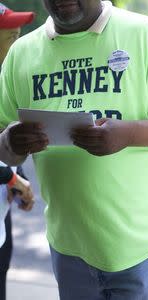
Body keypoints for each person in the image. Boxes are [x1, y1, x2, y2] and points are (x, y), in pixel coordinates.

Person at [0, 1, 148, 299]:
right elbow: (4, 146)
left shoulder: (146, 35)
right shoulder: (21, 54)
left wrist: (128, 133)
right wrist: (11, 143)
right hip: (69, 249)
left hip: (140, 249)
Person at [0, 4, 36, 300]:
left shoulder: (5, 78)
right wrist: (12, 180)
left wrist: (17, 172)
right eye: (8, 33)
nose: (17, 35)